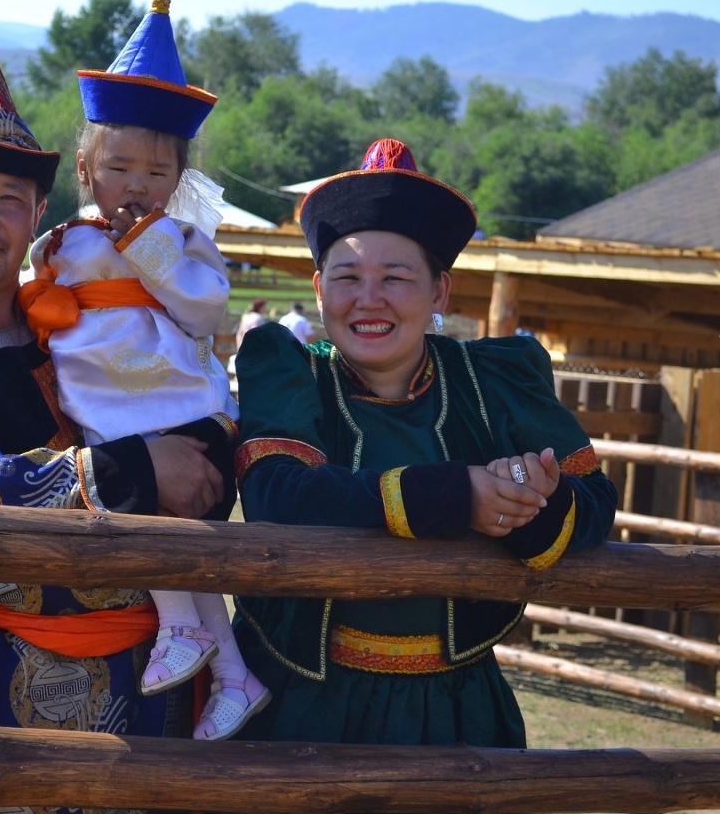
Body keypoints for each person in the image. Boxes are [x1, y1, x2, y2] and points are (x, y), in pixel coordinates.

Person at [0, 51, 225, 814]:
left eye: (9, 199)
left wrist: (213, 443)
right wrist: (139, 469)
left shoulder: (79, 314)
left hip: (162, 656)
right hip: (17, 670)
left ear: (39, 214)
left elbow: (184, 390)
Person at [230, 137, 618, 747]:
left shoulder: (494, 379)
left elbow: (594, 500)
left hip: (456, 710)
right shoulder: (291, 373)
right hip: (301, 701)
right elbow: (278, 495)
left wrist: (529, 505)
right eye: (348, 277)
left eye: (396, 278)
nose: (368, 299)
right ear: (318, 287)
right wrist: (456, 495)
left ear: (439, 292)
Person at [20, 0, 268, 741]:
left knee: (164, 522)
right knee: (159, 522)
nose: (137, 185)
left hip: (172, 406)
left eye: (157, 174)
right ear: (88, 169)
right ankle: (233, 672)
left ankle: (184, 634)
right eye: (120, 167)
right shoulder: (66, 241)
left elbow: (201, 309)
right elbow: (41, 305)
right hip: (103, 409)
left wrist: (149, 249)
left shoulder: (184, 244)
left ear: (178, 181)